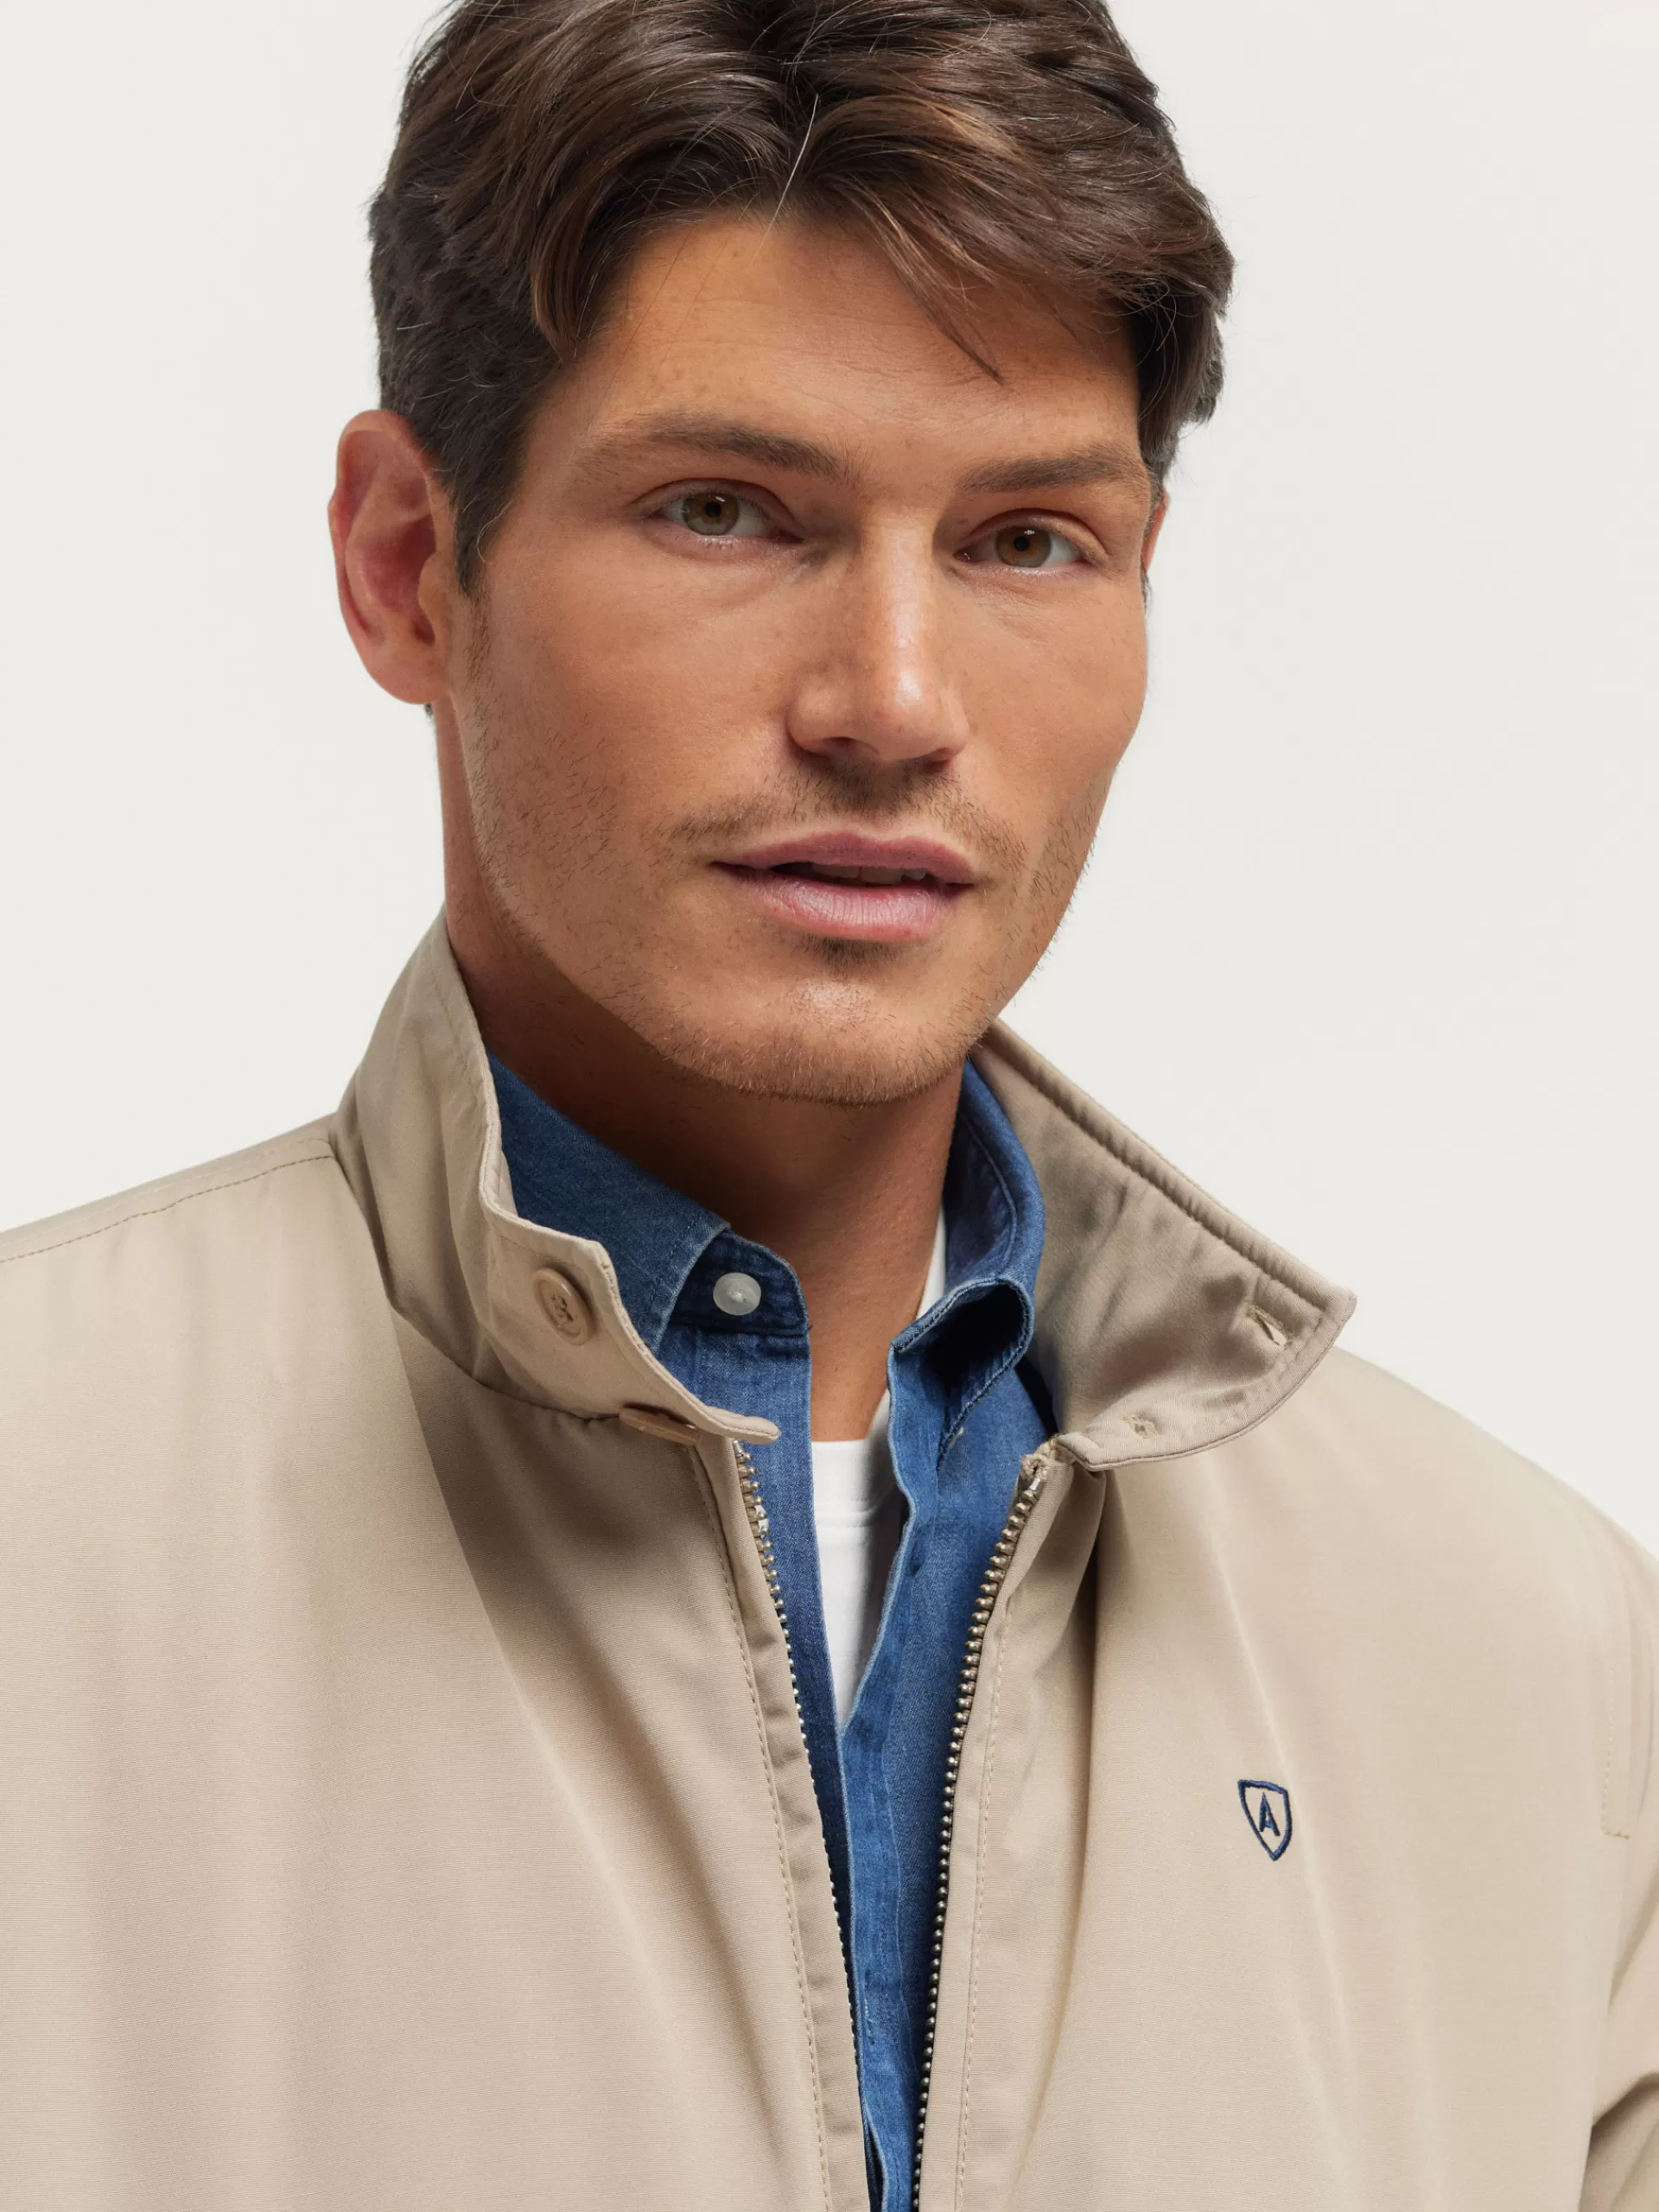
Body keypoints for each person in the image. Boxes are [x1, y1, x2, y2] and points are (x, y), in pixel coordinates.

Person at [0, 0, 1653, 2203]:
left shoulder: (1535, 1659)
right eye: (726, 512)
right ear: (408, 563)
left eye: (1027, 539)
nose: (892, 699)